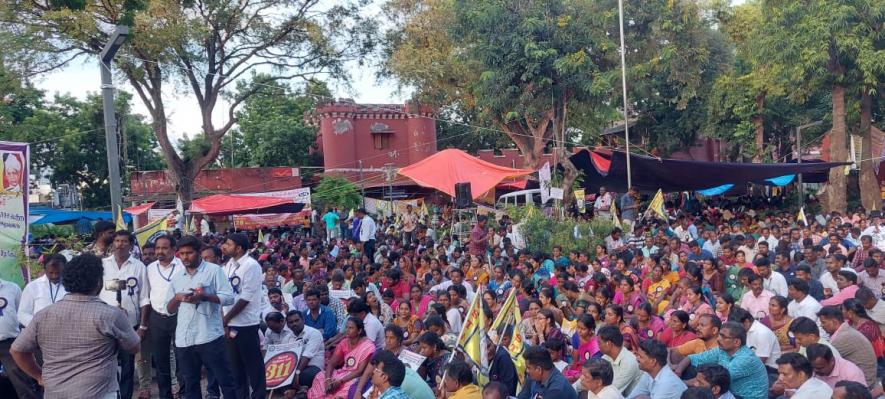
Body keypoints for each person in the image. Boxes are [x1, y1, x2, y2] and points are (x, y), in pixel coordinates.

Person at [11, 254, 140, 399]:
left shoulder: (43, 315)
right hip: (99, 393)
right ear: (98, 282)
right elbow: (134, 347)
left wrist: (39, 376)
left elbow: (17, 351)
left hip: (55, 392)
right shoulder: (111, 315)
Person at [164, 235, 238, 399]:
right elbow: (168, 310)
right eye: (181, 253)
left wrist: (204, 296)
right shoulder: (177, 277)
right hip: (184, 339)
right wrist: (177, 298)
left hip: (209, 335)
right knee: (190, 384)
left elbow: (228, 297)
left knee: (225, 380)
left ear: (198, 252)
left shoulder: (213, 270)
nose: (185, 257)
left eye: (189, 253)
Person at [99, 230, 149, 399]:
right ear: (113, 244)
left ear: (131, 245)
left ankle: (126, 396)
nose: (120, 244)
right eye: (117, 241)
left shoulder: (139, 266)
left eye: (124, 241)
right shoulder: (102, 265)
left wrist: (142, 326)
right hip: (104, 324)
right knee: (107, 364)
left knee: (128, 365)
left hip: (129, 324)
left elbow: (144, 298)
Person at [221, 232, 266, 398]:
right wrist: (224, 320)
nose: (225, 247)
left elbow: (245, 298)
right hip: (229, 323)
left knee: (253, 366)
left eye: (229, 244)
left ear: (238, 248)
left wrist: (225, 319)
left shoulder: (251, 265)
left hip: (246, 324)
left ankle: (258, 396)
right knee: (235, 367)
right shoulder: (228, 265)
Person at [143, 235, 182, 399]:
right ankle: (165, 395)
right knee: (160, 360)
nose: (160, 251)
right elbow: (146, 294)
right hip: (157, 318)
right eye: (158, 248)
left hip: (180, 317)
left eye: (164, 248)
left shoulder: (181, 267)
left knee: (182, 358)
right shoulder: (150, 268)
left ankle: (184, 392)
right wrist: (144, 324)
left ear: (174, 249)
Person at [686, 321, 768, 399]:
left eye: (723, 336)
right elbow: (692, 358)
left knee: (702, 389)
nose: (718, 339)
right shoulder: (723, 350)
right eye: (719, 335)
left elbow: (711, 381)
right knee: (691, 369)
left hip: (745, 397)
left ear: (736, 342)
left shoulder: (745, 359)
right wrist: (678, 371)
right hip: (731, 392)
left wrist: (681, 383)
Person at [816, 305, 878, 387]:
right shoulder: (844, 331)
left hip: (863, 383)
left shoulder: (843, 337)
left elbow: (822, 358)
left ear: (834, 322)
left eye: (823, 322)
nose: (821, 326)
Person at [317, 317, 375, 398]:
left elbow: (360, 371)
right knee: (320, 375)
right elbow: (332, 363)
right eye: (346, 327)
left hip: (354, 377)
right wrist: (328, 380)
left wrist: (340, 381)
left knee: (348, 387)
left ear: (359, 331)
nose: (347, 330)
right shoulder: (344, 342)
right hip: (342, 373)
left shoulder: (368, 346)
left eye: (351, 328)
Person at [281, 310, 325, 398]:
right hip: (293, 369)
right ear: (288, 325)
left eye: (297, 320)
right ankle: (298, 390)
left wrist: (297, 373)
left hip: (311, 367)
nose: (294, 324)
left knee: (305, 376)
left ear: (303, 320)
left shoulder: (314, 333)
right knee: (280, 378)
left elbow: (307, 356)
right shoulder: (287, 338)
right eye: (291, 322)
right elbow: (284, 357)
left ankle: (294, 390)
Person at [18, 253, 67, 327]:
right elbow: (22, 313)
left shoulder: (71, 286)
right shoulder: (33, 286)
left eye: (58, 273)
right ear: (45, 269)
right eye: (51, 273)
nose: (54, 276)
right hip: (39, 333)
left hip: (65, 331)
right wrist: (39, 325)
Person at [598, 326, 641, 397]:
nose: (598, 346)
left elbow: (611, 390)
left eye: (599, 343)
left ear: (609, 343)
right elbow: (591, 373)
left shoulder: (629, 362)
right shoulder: (607, 356)